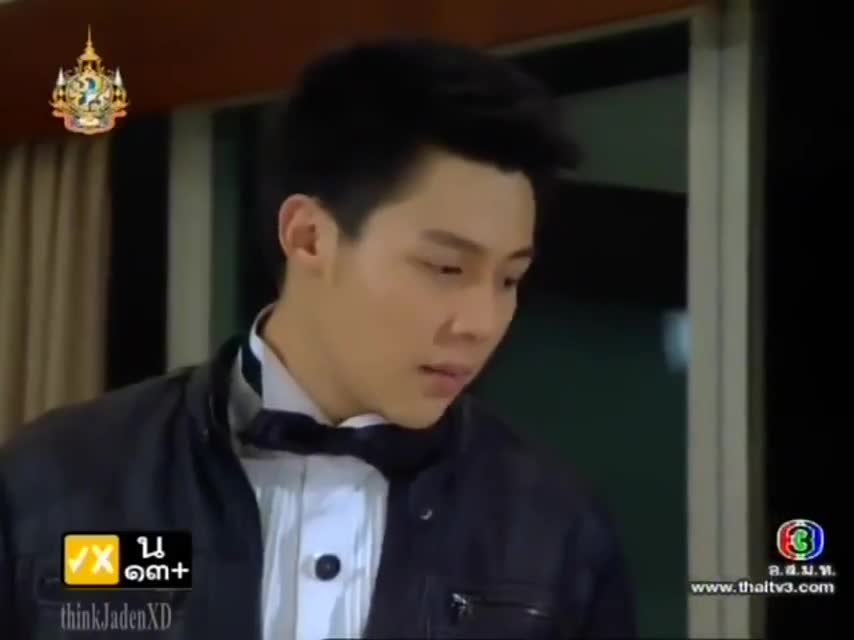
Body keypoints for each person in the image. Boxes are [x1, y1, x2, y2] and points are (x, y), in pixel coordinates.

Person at [0, 37, 636, 639]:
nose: (481, 322)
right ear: (308, 237)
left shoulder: (554, 529)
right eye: (446, 268)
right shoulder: (62, 478)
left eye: (510, 278)